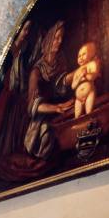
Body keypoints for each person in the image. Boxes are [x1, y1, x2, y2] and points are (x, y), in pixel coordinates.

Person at [24, 20, 73, 160]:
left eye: (61, 38)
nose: (59, 41)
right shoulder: (36, 71)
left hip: (61, 106)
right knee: (47, 133)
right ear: (50, 38)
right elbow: (32, 105)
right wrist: (55, 108)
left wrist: (76, 76)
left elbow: (60, 87)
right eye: (57, 38)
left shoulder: (61, 60)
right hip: (43, 115)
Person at [71, 42, 101, 118]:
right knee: (77, 117)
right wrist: (80, 76)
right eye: (79, 56)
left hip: (89, 93)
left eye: (84, 54)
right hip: (78, 99)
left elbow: (92, 77)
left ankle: (90, 123)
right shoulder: (77, 71)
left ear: (90, 54)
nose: (81, 57)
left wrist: (85, 74)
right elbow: (73, 86)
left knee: (89, 114)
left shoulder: (92, 64)